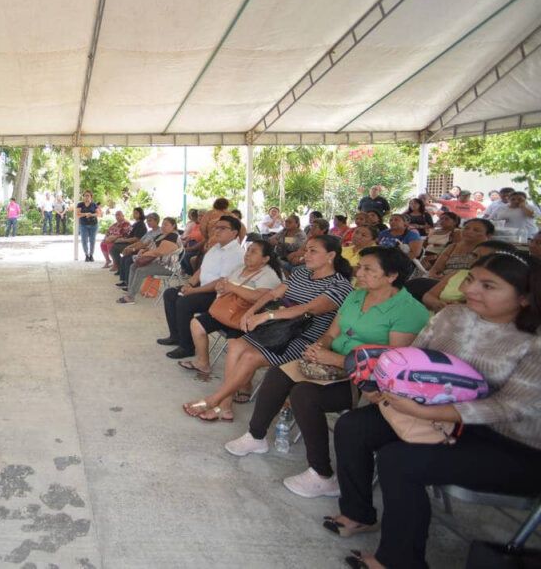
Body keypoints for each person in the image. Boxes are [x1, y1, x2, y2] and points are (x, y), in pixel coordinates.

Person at [326, 253, 541, 569]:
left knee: (400, 461)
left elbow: (511, 407)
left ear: (524, 298)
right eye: (470, 279)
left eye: (488, 286)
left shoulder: (533, 342)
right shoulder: (453, 315)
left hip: (508, 443)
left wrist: (432, 415)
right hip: (431, 411)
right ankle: (358, 514)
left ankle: (398, 561)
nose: (471, 290)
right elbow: (415, 357)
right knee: (353, 427)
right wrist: (384, 384)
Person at [225, 247, 429, 498]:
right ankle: (256, 436)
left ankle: (322, 474)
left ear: (391, 276)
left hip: (367, 382)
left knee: (304, 394)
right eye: (360, 266)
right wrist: (318, 347)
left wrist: (337, 359)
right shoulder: (356, 296)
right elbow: (332, 333)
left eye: (368, 269)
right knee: (279, 373)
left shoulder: (408, 311)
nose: (359, 273)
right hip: (332, 364)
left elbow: (392, 365)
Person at [183, 235, 353, 421]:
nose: (307, 255)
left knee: (249, 357)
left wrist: (266, 315)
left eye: (313, 251)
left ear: (330, 256)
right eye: (306, 250)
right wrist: (252, 312)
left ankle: (213, 400)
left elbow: (308, 308)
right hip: (277, 329)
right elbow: (273, 294)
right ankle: (225, 405)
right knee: (235, 345)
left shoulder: (340, 285)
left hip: (302, 338)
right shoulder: (301, 273)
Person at [178, 240, 283, 378]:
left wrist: (233, 288)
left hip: (245, 319)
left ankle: (244, 386)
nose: (247, 254)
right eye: (248, 250)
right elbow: (223, 283)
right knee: (196, 324)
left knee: (236, 344)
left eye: (253, 251)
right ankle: (202, 363)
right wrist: (220, 286)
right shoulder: (240, 267)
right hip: (227, 311)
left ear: (265, 259)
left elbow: (258, 297)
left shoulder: (268, 275)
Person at [159, 216, 246, 358]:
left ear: (234, 233)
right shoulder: (216, 247)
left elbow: (221, 282)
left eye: (222, 228)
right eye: (216, 227)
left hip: (220, 295)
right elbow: (201, 270)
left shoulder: (235, 253)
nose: (217, 231)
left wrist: (193, 291)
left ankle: (187, 347)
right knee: (170, 293)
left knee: (184, 302)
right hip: (203, 288)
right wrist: (189, 284)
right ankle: (176, 336)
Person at [422, 240, 518, 312]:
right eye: (474, 256)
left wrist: (464, 307)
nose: (476, 260)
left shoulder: (504, 286)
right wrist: (437, 304)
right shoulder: (458, 273)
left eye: (485, 258)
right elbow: (429, 295)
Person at [117, 217, 181, 304]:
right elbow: (150, 246)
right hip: (157, 262)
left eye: (166, 224)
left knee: (140, 270)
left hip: (168, 266)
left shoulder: (173, 236)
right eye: (162, 224)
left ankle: (130, 297)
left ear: (173, 226)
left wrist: (143, 255)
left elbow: (159, 252)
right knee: (133, 266)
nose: (163, 226)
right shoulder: (161, 235)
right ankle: (131, 290)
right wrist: (143, 250)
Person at [116, 213, 161, 285]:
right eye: (147, 221)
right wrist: (128, 247)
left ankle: (129, 283)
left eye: (150, 221)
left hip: (149, 253)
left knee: (128, 260)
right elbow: (140, 242)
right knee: (124, 257)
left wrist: (132, 249)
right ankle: (125, 281)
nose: (148, 223)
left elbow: (145, 244)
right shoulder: (150, 232)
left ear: (156, 221)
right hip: (141, 250)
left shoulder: (159, 232)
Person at [110, 207, 146, 272]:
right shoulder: (135, 223)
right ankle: (120, 268)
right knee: (114, 245)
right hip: (129, 242)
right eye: (133, 213)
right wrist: (121, 239)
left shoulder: (141, 225)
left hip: (134, 245)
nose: (134, 214)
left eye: (136, 213)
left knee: (114, 248)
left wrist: (123, 240)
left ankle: (119, 268)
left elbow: (136, 239)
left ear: (141, 214)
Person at [76, 191, 100, 261]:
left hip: (93, 225)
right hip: (83, 225)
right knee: (84, 241)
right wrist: (86, 214)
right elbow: (78, 214)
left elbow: (98, 214)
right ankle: (86, 255)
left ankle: (91, 255)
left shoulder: (94, 204)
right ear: (83, 197)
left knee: (92, 240)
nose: (86, 197)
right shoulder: (80, 204)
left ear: (91, 197)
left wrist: (91, 214)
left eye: (88, 195)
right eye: (85, 195)